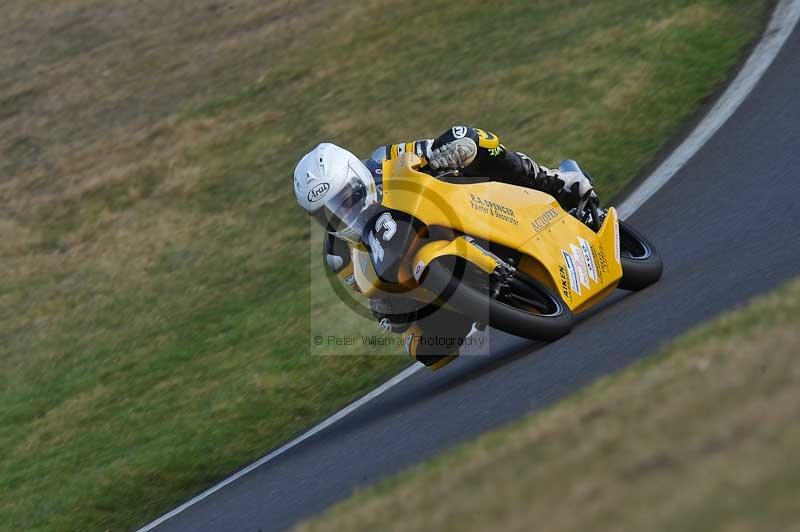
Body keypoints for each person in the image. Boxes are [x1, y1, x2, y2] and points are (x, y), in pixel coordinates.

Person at [293, 126, 595, 370]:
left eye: (347, 197)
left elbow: (428, 148)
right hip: (425, 279)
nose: (343, 212)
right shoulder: (340, 253)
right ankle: (480, 296)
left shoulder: (382, 162)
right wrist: (390, 312)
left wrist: (444, 152)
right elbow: (380, 309)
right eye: (328, 213)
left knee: (473, 140)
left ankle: (555, 181)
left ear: (358, 177)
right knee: (426, 350)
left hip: (462, 209)